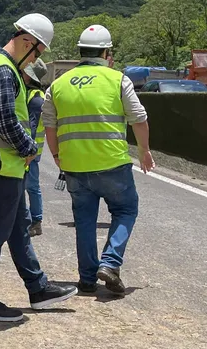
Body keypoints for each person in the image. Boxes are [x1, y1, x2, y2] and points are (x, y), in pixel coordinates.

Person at [0, 13, 77, 323]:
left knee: (17, 230)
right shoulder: (3, 70)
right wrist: (29, 148)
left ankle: (38, 287)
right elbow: (4, 121)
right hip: (0, 166)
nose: (36, 59)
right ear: (27, 41)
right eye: (38, 52)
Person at [42, 24, 154, 296]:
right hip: (111, 162)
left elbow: (50, 126)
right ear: (106, 52)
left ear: (81, 51)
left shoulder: (58, 84)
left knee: (84, 220)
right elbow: (139, 118)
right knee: (126, 210)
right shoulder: (117, 79)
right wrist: (144, 150)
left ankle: (88, 278)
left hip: (73, 166)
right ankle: (111, 263)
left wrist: (57, 156)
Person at [22, 59, 49, 237]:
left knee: (30, 186)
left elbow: (31, 127)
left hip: (29, 152)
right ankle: (30, 220)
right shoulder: (32, 95)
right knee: (27, 186)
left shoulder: (35, 99)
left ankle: (35, 221)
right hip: (29, 150)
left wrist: (27, 150)